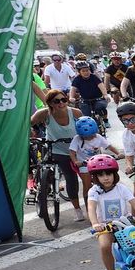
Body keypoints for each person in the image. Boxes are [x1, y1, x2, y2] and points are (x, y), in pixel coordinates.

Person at [85, 154, 135, 270]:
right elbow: (91, 208)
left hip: (124, 223)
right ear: (95, 177)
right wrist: (95, 223)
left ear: (114, 174)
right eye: (101, 175)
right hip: (106, 226)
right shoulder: (94, 191)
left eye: (109, 174)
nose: (106, 178)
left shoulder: (121, 188)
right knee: (104, 246)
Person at [30, 91, 88, 223]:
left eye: (64, 99)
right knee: (71, 178)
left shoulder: (75, 113)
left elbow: (87, 129)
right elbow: (29, 123)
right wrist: (31, 132)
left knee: (87, 181)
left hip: (78, 151)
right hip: (57, 150)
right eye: (57, 101)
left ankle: (91, 209)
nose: (61, 103)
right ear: (50, 103)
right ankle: (77, 210)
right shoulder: (44, 114)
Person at [68, 116, 118, 216]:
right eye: (86, 137)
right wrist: (76, 161)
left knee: (107, 181)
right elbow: (72, 152)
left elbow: (109, 146)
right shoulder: (77, 139)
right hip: (84, 164)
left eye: (91, 135)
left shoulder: (98, 137)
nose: (90, 138)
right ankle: (89, 209)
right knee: (87, 185)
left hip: (99, 164)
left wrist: (118, 153)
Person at [68, 59, 109, 127]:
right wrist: (71, 97)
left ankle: (105, 120)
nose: (86, 72)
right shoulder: (77, 79)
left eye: (87, 70)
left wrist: (105, 95)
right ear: (79, 72)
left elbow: (101, 86)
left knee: (100, 107)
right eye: (83, 71)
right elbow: (73, 89)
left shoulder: (94, 77)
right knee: (86, 115)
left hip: (98, 98)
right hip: (85, 100)